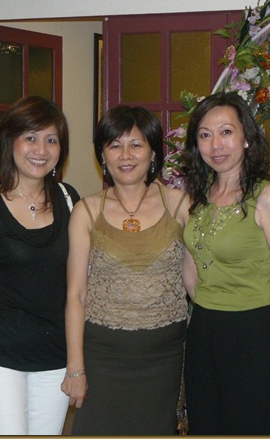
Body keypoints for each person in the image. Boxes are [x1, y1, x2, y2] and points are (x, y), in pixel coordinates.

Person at [60, 105, 191, 435]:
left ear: (153, 152)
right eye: (115, 145)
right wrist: (75, 368)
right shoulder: (86, 211)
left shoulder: (181, 205)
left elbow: (198, 284)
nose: (125, 155)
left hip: (165, 358)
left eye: (136, 145)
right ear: (102, 155)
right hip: (102, 357)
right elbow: (76, 295)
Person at [0, 96, 80, 435]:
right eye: (31, 137)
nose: (41, 149)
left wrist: (76, 363)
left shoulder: (69, 200)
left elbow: (78, 286)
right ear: (10, 141)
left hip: (55, 358)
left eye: (51, 139)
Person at [181, 92, 270, 435]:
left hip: (253, 335)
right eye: (205, 135)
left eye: (226, 132)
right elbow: (192, 273)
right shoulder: (198, 198)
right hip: (204, 332)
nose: (216, 145)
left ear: (246, 138)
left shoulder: (267, 197)